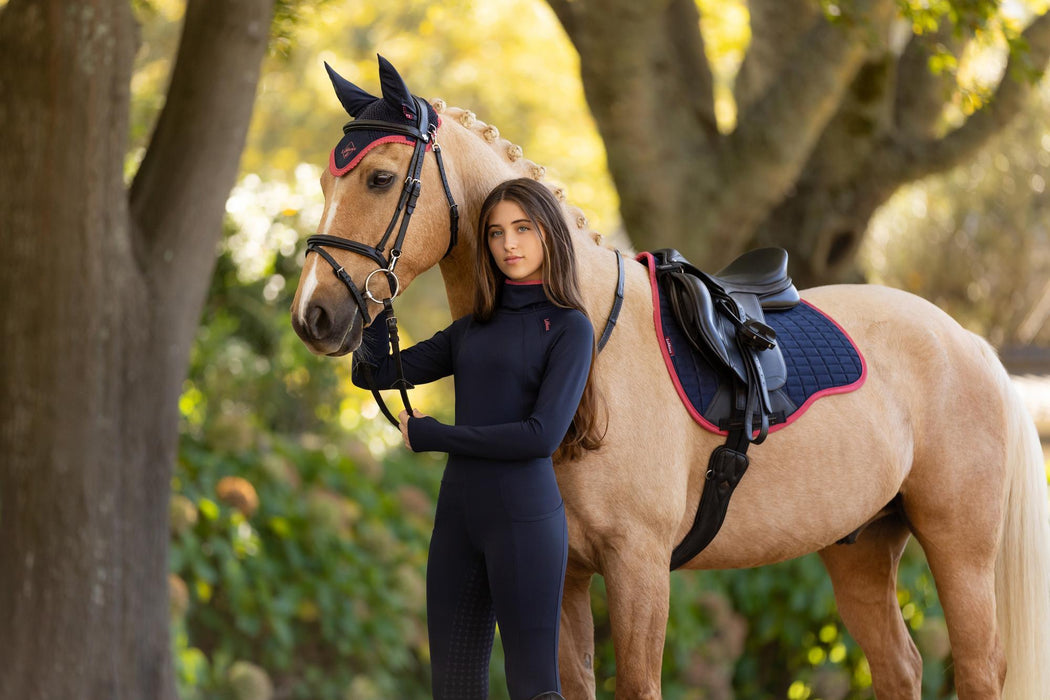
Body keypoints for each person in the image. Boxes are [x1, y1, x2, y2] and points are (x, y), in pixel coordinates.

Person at [351, 177, 605, 700]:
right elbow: (374, 374)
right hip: (458, 519)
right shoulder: (471, 329)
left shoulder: (569, 329)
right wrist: (376, 300)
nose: (509, 244)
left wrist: (435, 435)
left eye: (522, 229)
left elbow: (539, 437)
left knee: (534, 687)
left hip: (525, 521)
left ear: (548, 235)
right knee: (453, 688)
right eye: (495, 233)